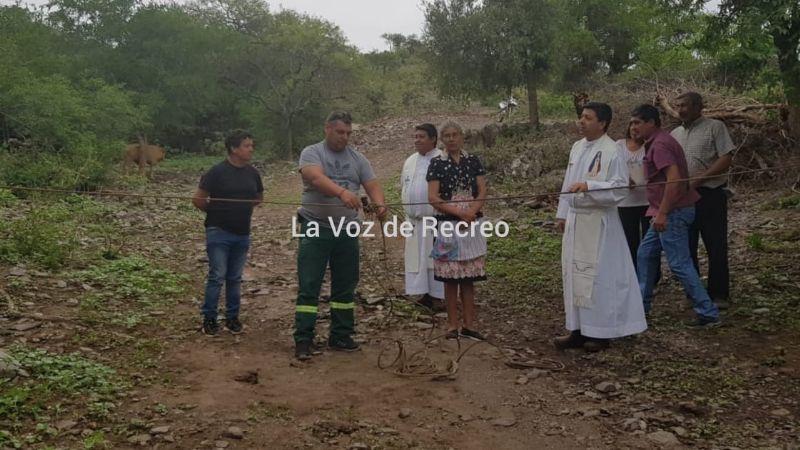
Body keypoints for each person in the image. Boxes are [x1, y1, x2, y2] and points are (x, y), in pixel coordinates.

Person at [293, 112, 388, 360]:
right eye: (340, 132)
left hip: (346, 229)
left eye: (348, 133)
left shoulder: (358, 158)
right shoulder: (312, 152)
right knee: (310, 284)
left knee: (346, 285)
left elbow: (373, 185)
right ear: (327, 129)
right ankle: (304, 339)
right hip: (315, 226)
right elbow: (314, 177)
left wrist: (380, 205)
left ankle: (341, 335)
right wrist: (342, 193)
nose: (344, 138)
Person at [554, 102, 647, 352]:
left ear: (602, 123)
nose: (581, 121)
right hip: (576, 220)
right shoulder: (577, 147)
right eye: (581, 117)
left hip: (599, 222)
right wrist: (562, 213)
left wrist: (590, 186)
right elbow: (568, 181)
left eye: (587, 118)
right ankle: (577, 329)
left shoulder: (612, 150)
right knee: (573, 275)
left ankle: (600, 331)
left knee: (598, 278)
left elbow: (619, 188)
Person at [629, 104, 720, 327]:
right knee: (645, 254)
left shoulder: (660, 144)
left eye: (637, 122)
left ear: (651, 122)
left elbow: (674, 179)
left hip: (672, 212)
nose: (633, 128)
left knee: (679, 263)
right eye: (631, 123)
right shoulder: (659, 142)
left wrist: (663, 213)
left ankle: (708, 313)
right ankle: (641, 307)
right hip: (666, 211)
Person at [192, 130, 263, 336]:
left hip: (242, 232)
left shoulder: (252, 173)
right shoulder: (217, 172)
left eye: (251, 145)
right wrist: (217, 212)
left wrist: (241, 208)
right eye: (247, 146)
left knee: (234, 277)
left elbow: (259, 197)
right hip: (218, 232)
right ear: (233, 148)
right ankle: (210, 318)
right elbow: (198, 199)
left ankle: (233, 317)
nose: (251, 149)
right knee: (217, 276)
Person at [670, 92, 735, 309]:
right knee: (686, 247)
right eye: (678, 105)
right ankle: (694, 293)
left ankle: (718, 295)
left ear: (699, 106)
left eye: (685, 105)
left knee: (715, 245)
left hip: (710, 194)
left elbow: (726, 157)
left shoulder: (715, 127)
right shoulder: (674, 134)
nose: (680, 109)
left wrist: (698, 179)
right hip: (683, 197)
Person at [426, 121, 488, 341]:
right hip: (447, 226)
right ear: (442, 139)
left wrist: (471, 212)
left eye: (455, 135)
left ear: (462, 137)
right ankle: (452, 325)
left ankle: (469, 324)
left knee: (469, 277)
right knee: (450, 278)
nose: (452, 139)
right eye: (447, 135)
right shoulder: (436, 163)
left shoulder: (473, 161)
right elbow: (433, 197)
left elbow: (482, 189)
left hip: (471, 225)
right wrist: (459, 213)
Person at [401, 123, 445, 311]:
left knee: (436, 260)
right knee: (417, 260)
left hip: (435, 220)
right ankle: (424, 294)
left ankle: (440, 297)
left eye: (421, 137)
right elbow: (405, 185)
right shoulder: (410, 160)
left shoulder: (442, 159)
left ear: (433, 139)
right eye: (415, 136)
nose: (417, 140)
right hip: (414, 221)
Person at [616, 122, 650, 268]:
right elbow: (614, 166)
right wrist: (625, 178)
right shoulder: (619, 145)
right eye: (631, 126)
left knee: (649, 240)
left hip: (647, 201)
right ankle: (633, 274)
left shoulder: (649, 146)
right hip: (625, 202)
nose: (634, 130)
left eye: (637, 127)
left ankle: (651, 275)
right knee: (630, 239)